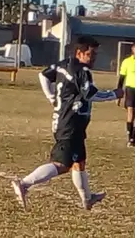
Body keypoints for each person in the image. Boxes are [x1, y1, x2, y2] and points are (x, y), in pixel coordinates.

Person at [11, 37, 123, 210]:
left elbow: (43, 75)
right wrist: (114, 94)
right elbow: (90, 95)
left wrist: (51, 97)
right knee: (62, 165)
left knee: (79, 162)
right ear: (79, 53)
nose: (93, 58)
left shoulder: (64, 64)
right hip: (70, 124)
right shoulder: (81, 71)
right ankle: (24, 184)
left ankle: (87, 199)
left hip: (69, 121)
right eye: (90, 54)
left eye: (95, 55)